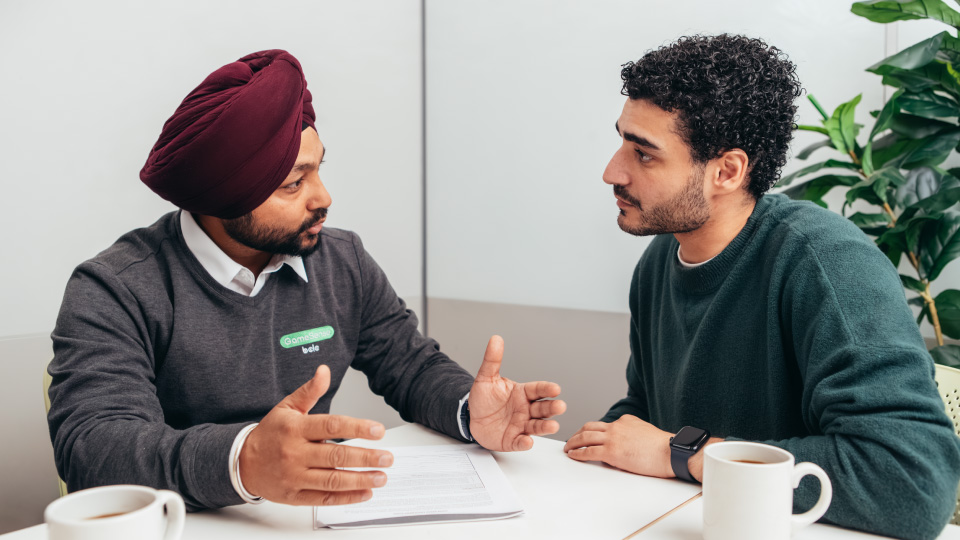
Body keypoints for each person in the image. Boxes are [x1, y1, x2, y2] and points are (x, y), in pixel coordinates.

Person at [47, 49, 566, 512]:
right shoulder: (115, 287)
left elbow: (409, 365)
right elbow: (94, 446)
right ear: (222, 198)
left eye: (318, 170)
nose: (324, 197)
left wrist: (466, 412)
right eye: (294, 182)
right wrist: (244, 460)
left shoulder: (342, 260)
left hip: (310, 520)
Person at [562, 34, 960, 540]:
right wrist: (584, 446)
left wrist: (678, 453)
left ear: (726, 171)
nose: (611, 171)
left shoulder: (828, 264)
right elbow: (648, 413)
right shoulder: (660, 258)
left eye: (643, 154)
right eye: (622, 140)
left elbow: (912, 484)